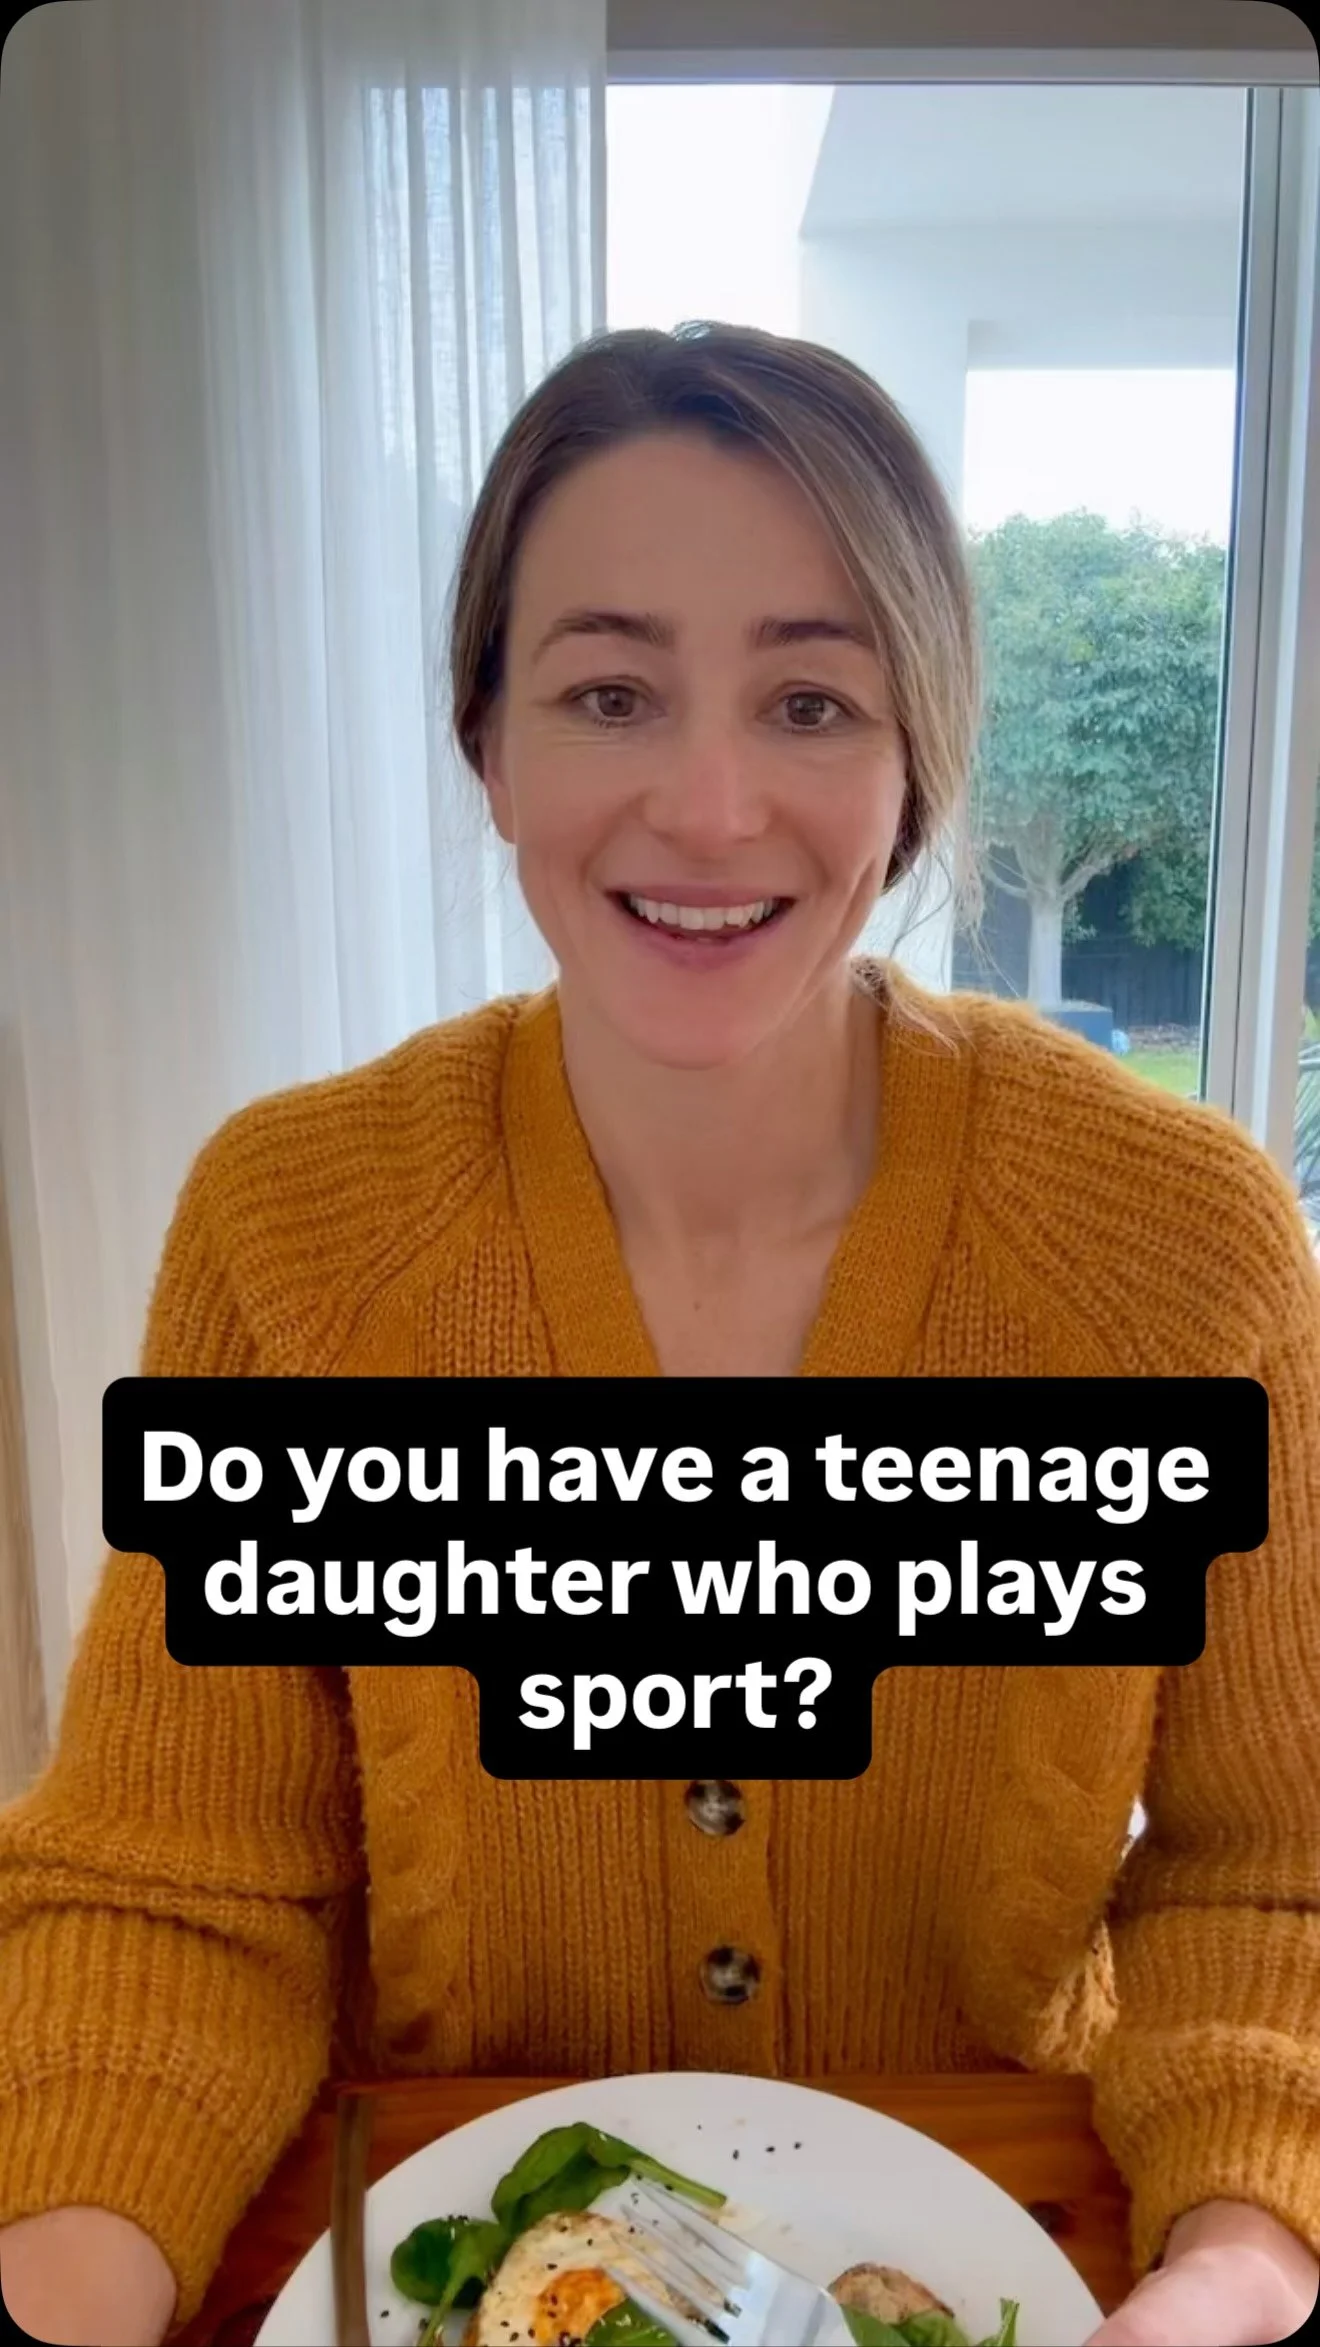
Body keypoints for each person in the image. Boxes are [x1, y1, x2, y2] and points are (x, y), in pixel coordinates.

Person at [2, 321, 1317, 2347]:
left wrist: (1232, 2270)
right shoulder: (292, 1229)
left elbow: (1275, 1876)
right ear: (489, 743)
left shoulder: (1180, 1248)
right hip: (440, 2270)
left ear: (913, 760)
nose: (709, 808)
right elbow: (177, 1892)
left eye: (811, 700)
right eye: (609, 692)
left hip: (998, 2261)